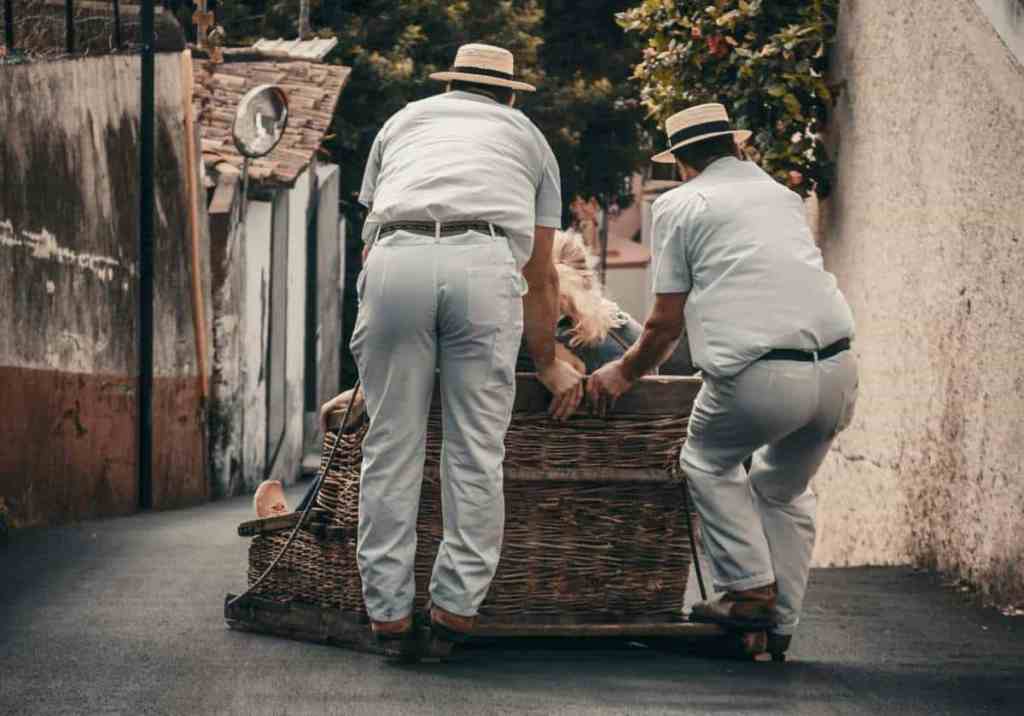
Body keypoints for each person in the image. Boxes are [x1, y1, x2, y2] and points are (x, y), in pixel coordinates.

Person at [587, 103, 858, 657]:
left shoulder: (679, 205)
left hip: (761, 377)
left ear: (682, 162)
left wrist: (623, 371)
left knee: (706, 461)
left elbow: (665, 323)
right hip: (837, 371)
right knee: (782, 490)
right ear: (737, 146)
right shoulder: (782, 197)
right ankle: (779, 625)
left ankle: (749, 591)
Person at [351, 43, 583, 654]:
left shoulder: (402, 121)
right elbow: (541, 271)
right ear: (509, 95)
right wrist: (547, 361)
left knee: (389, 447)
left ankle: (388, 614)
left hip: (397, 256)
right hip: (483, 263)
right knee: (476, 449)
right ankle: (455, 608)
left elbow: (368, 244)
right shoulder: (529, 137)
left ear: (450, 85)